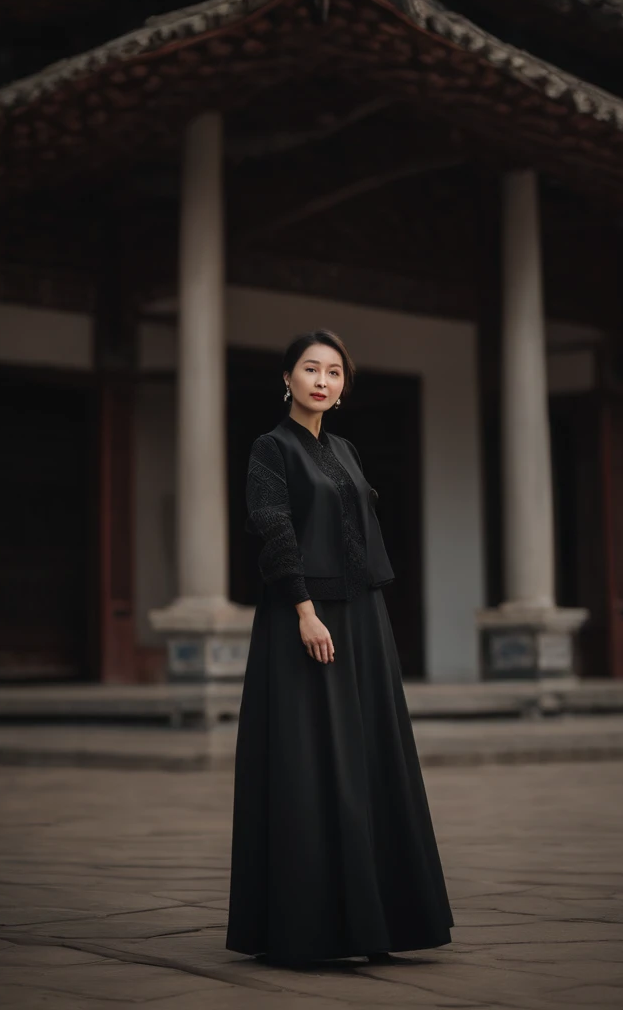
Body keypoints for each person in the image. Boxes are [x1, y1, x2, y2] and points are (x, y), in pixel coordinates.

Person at [226, 328, 453, 966]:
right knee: (309, 761)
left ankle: (380, 918)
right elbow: (273, 529)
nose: (322, 380)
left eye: (334, 372)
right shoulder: (270, 449)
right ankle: (309, 925)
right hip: (302, 619)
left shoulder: (347, 450)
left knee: (371, 757)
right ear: (287, 379)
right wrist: (303, 609)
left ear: (342, 386)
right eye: (310, 369)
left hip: (362, 619)